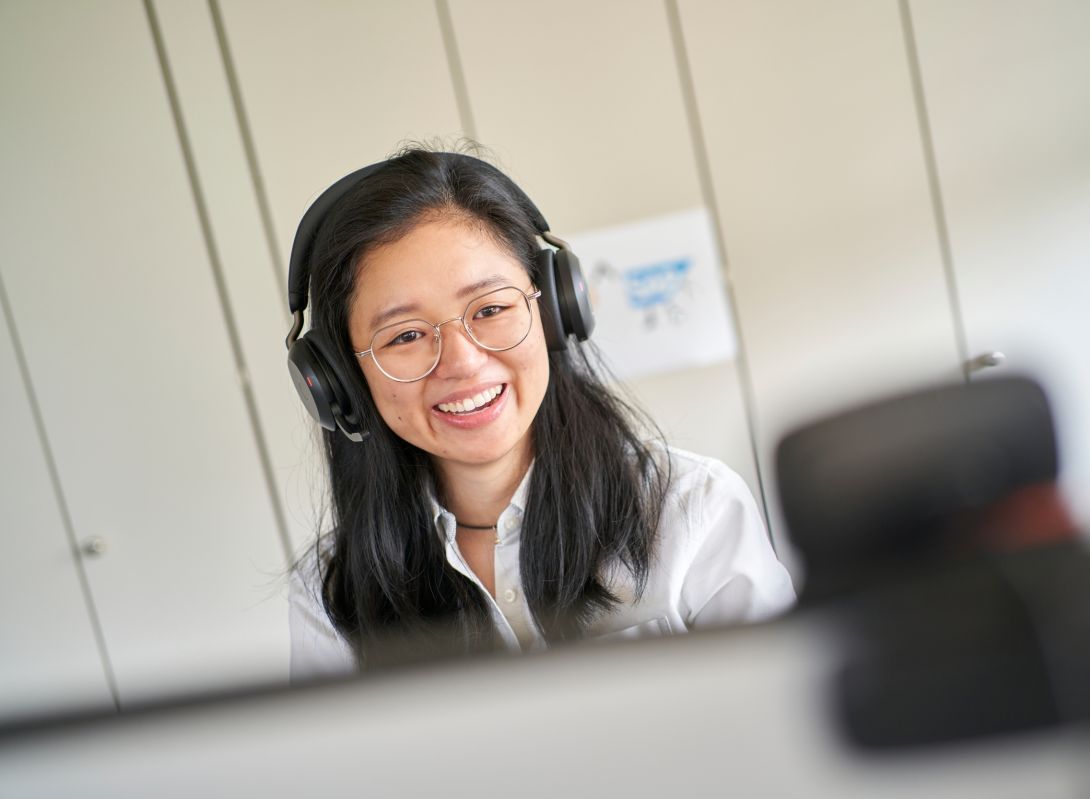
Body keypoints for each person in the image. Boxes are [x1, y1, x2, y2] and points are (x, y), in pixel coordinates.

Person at [286, 146, 795, 680]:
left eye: (491, 309)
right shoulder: (330, 594)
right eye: (406, 336)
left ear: (552, 309)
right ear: (339, 380)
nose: (462, 363)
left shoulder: (694, 510)